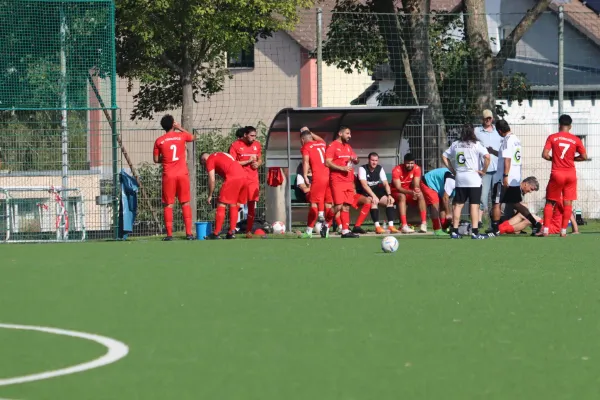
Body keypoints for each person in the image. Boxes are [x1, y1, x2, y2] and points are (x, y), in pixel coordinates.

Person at [489, 120, 541, 235]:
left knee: (497, 202)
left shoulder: (507, 140)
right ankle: (536, 223)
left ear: (499, 131)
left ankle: (495, 229)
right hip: (516, 178)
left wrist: (505, 176)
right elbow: (507, 155)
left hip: (505, 178)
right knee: (516, 203)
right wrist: (493, 151)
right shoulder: (516, 139)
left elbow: (507, 159)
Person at [539, 114, 587, 237]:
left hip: (557, 173)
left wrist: (554, 159)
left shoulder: (552, 137)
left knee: (550, 202)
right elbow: (584, 157)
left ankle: (545, 231)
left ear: (559, 125)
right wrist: (572, 159)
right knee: (568, 203)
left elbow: (544, 154)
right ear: (570, 126)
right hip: (570, 174)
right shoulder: (576, 139)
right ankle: (564, 231)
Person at [442, 123, 491, 239]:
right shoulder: (476, 144)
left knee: (458, 205)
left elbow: (444, 156)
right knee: (474, 206)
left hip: (460, 178)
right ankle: (475, 232)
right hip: (473, 178)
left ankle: (454, 231)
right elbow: (487, 157)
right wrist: (483, 170)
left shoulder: (456, 144)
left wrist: (453, 170)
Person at [153, 115, 195, 241]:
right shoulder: (181, 136)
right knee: (185, 203)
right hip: (182, 174)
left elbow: (155, 160)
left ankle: (169, 235)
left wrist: (166, 159)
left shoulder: (159, 141)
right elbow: (193, 137)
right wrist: (180, 128)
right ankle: (189, 234)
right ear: (173, 124)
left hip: (168, 175)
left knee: (168, 204)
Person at [200, 151, 247, 239]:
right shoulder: (221, 154)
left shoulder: (210, 159)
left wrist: (210, 195)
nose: (205, 167)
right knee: (234, 204)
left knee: (221, 203)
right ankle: (231, 232)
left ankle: (216, 233)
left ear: (204, 159)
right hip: (244, 177)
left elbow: (212, 179)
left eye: (203, 165)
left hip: (233, 178)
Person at [324, 126, 361, 238]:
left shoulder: (348, 147)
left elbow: (356, 160)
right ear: (340, 133)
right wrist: (342, 169)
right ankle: (326, 224)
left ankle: (345, 231)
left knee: (346, 206)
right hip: (337, 180)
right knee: (338, 205)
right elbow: (327, 163)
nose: (350, 136)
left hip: (348, 181)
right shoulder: (332, 146)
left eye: (350, 134)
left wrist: (355, 159)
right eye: (347, 133)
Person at [299, 127, 334, 238]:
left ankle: (309, 231)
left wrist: (305, 175)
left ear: (303, 140)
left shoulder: (306, 146)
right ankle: (326, 229)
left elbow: (305, 161)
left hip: (318, 177)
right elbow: (321, 139)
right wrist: (310, 132)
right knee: (328, 203)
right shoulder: (322, 143)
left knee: (313, 203)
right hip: (329, 176)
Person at [229, 126, 262, 237]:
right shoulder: (235, 145)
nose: (254, 138)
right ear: (245, 135)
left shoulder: (257, 145)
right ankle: (232, 229)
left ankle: (248, 231)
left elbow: (260, 158)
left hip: (253, 179)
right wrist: (248, 161)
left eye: (255, 136)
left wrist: (258, 163)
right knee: (237, 204)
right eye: (252, 136)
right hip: (240, 179)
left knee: (252, 205)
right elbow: (232, 163)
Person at [357, 152, 399, 234]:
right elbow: (364, 185)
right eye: (372, 160)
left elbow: (385, 183)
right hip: (365, 191)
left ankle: (391, 226)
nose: (374, 162)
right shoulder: (362, 168)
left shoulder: (380, 168)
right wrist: (373, 196)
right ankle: (377, 227)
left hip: (376, 190)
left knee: (389, 201)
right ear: (368, 160)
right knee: (374, 201)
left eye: (376, 160)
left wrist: (389, 195)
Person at [475, 109, 503, 225]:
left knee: (496, 197)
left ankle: (495, 221)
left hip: (497, 169)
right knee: (482, 196)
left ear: (492, 118)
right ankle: (479, 220)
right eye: (486, 118)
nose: (488, 120)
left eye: (490, 118)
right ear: (482, 118)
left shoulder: (498, 131)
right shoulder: (477, 131)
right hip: (484, 170)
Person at [498, 199, 578, 236]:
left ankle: (502, 230)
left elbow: (569, 213)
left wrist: (575, 230)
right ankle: (499, 228)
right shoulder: (556, 198)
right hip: (547, 223)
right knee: (522, 214)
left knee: (528, 221)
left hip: (553, 228)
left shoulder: (561, 199)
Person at [391, 153, 428, 233]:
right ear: (404, 162)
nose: (410, 165)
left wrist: (416, 191)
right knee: (402, 196)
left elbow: (416, 184)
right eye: (408, 163)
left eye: (412, 163)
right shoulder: (396, 170)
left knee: (420, 194)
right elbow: (398, 188)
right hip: (396, 192)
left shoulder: (417, 168)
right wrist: (411, 192)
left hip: (408, 192)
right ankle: (404, 225)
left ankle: (424, 224)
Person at [421, 167, 456, 235]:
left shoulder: (461, 186)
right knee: (435, 205)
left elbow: (454, 204)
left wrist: (455, 217)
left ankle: (443, 228)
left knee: (443, 205)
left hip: (439, 185)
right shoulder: (452, 181)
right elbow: (445, 198)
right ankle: (437, 229)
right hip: (428, 181)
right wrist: (448, 214)